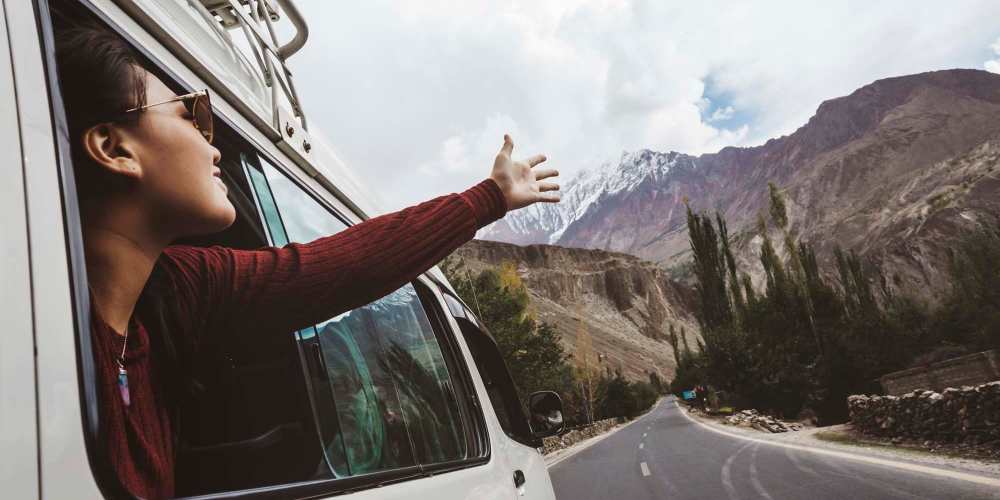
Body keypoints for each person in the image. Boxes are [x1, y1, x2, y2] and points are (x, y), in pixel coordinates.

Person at [54, 21, 560, 499]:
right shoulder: (41, 335)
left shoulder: (177, 287)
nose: (213, 145)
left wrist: (491, 197)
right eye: (190, 114)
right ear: (113, 147)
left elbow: (346, 264)